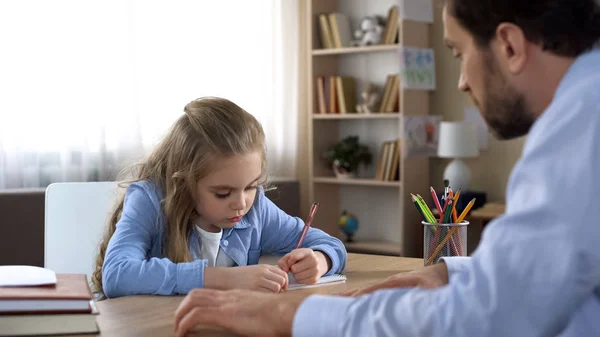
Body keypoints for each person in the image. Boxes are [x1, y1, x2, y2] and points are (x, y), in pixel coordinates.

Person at [173, 0, 600, 336]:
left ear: (508, 45)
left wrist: (292, 315)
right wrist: (451, 271)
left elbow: (482, 318)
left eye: (458, 52)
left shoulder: (582, 124)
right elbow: (549, 276)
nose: (462, 82)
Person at [91, 97, 347, 299]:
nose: (241, 203)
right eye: (223, 193)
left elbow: (331, 244)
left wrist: (320, 261)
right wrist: (222, 278)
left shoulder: (256, 208)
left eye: (251, 186)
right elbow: (117, 275)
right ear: (185, 184)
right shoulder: (150, 200)